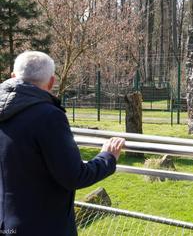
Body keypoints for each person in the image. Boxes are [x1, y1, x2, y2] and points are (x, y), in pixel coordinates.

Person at [0, 51, 125, 236]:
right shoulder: (48, 116)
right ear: (51, 82)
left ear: (13, 76)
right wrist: (108, 157)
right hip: (43, 227)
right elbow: (74, 176)